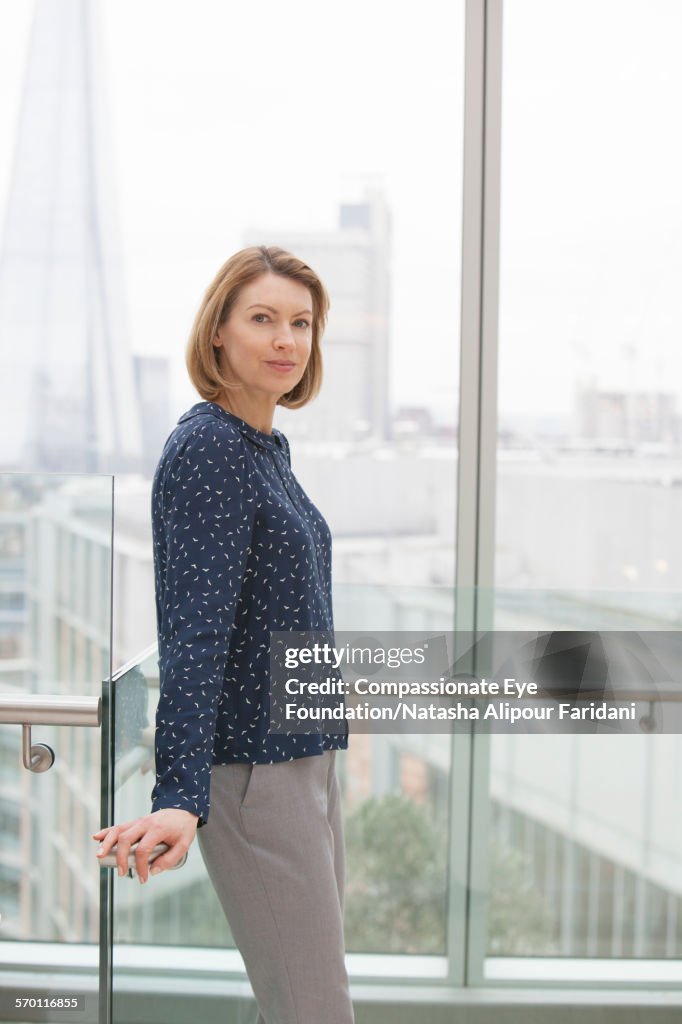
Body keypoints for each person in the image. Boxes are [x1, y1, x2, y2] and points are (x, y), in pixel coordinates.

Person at [92, 246, 354, 1024]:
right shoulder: (210, 449)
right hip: (253, 773)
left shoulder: (263, 446)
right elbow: (194, 633)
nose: (286, 340)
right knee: (314, 1008)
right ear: (218, 335)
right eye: (262, 319)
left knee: (306, 996)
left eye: (301, 323)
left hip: (302, 758)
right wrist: (179, 794)